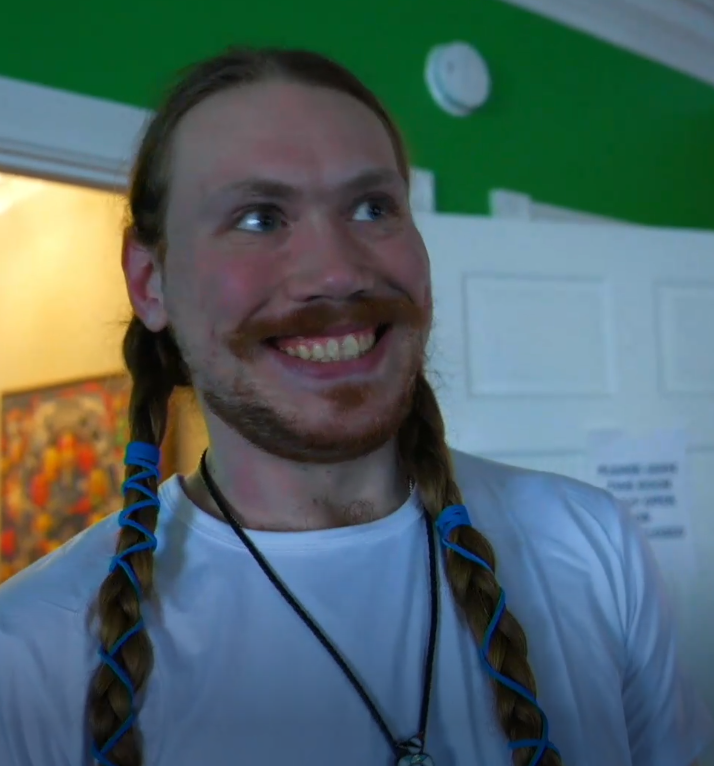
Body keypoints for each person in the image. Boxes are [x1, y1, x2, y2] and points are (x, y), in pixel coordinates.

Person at [0, 46, 710, 766]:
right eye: (259, 218)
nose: (338, 271)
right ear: (150, 282)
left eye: (374, 208)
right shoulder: (29, 654)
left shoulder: (593, 545)